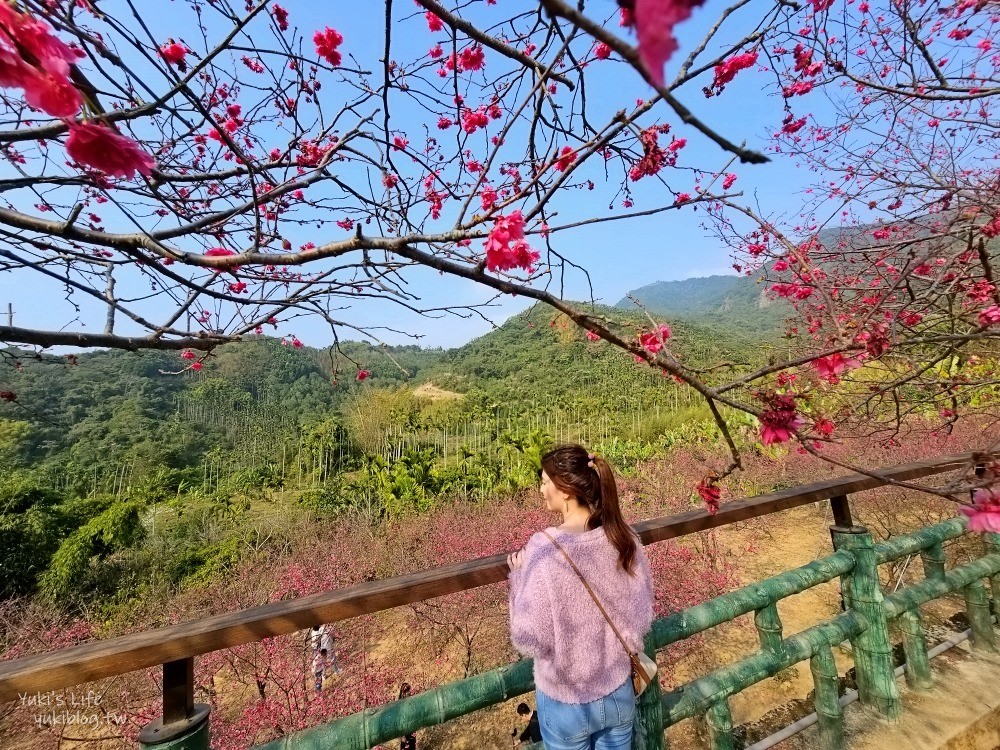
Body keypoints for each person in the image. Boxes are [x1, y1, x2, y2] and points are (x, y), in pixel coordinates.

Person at [507, 444, 654, 750]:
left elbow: (528, 639)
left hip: (567, 703)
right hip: (617, 691)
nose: (541, 488)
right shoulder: (622, 537)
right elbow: (640, 619)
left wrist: (519, 577)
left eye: (546, 481)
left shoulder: (543, 549)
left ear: (565, 490)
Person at [398, 682, 417, 750]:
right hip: (405, 732)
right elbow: (400, 721)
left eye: (409, 690)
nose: (408, 693)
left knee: (412, 746)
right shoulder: (399, 705)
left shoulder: (411, 702)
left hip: (412, 730)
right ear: (402, 693)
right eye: (406, 691)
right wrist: (403, 736)